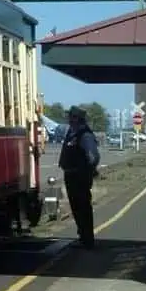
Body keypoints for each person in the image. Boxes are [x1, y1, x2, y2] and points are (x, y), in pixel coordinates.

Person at [58, 105, 100, 248]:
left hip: (79, 176)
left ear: (77, 119)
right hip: (71, 175)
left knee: (82, 207)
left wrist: (87, 169)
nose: (69, 119)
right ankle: (83, 236)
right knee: (76, 207)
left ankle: (87, 239)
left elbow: (93, 156)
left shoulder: (84, 135)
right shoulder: (72, 133)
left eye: (71, 117)